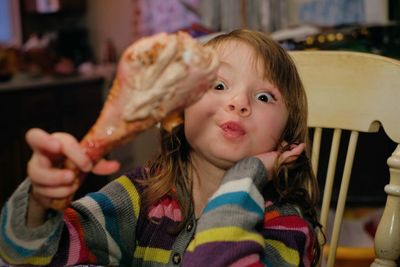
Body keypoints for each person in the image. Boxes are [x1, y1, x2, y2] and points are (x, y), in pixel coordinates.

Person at [0, 29, 322, 267]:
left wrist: (244, 177)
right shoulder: (141, 196)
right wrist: (40, 205)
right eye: (219, 85)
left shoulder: (286, 227)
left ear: (286, 139)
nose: (238, 103)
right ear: (178, 110)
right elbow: (30, 255)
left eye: (264, 96)